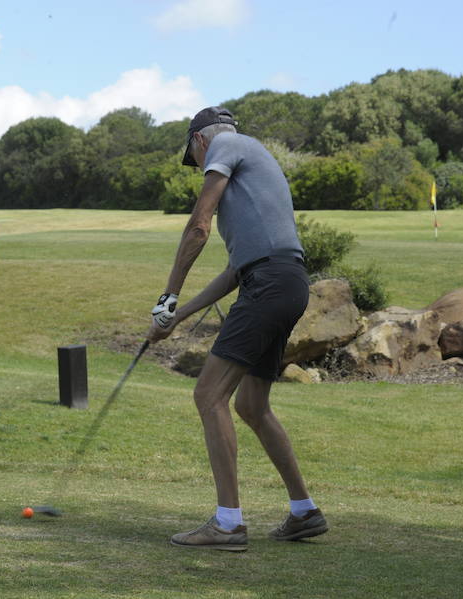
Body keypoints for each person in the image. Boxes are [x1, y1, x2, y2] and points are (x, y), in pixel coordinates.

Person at [147, 107, 327, 551]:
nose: (199, 169)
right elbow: (233, 273)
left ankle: (228, 524)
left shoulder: (226, 145)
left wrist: (166, 296)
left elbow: (197, 228)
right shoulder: (255, 165)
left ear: (200, 141)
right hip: (285, 282)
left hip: (267, 285)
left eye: (194, 157)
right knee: (251, 405)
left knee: (209, 395)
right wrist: (178, 317)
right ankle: (304, 512)